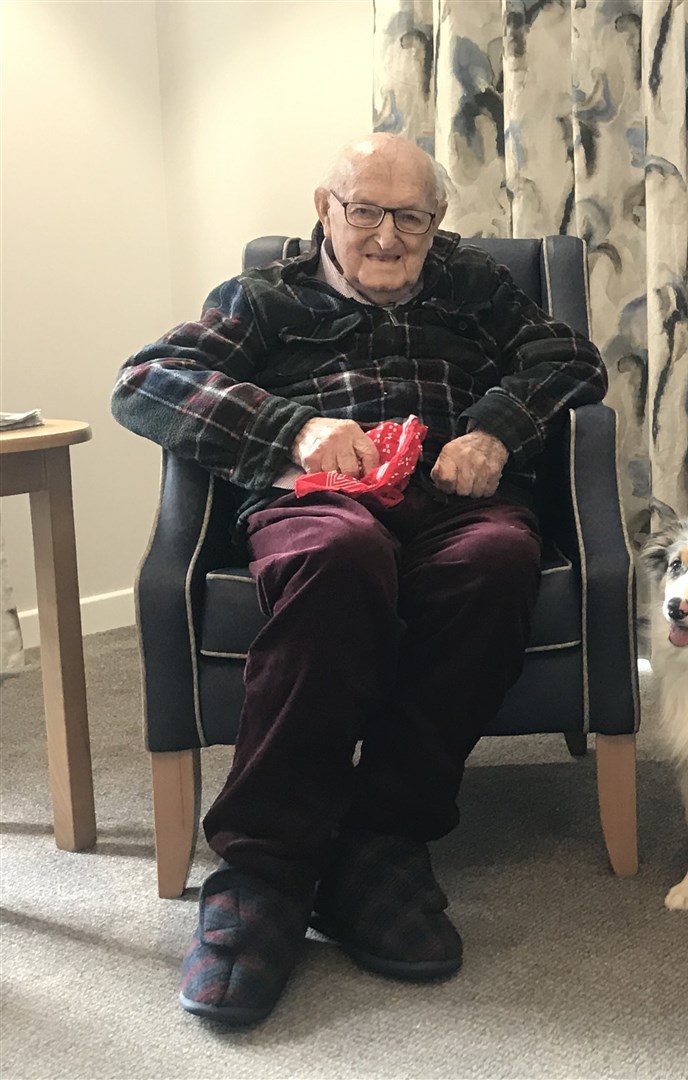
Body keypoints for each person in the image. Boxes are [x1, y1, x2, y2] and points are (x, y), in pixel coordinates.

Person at [112, 134, 607, 1025]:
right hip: (320, 500)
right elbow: (148, 380)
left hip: (453, 499)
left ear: (437, 221)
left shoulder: (474, 287)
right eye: (365, 211)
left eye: (410, 216)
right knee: (341, 559)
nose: (387, 235)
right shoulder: (264, 298)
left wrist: (494, 428)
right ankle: (264, 867)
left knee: (498, 562)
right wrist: (293, 429)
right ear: (324, 208)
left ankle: (381, 838)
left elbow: (571, 360)